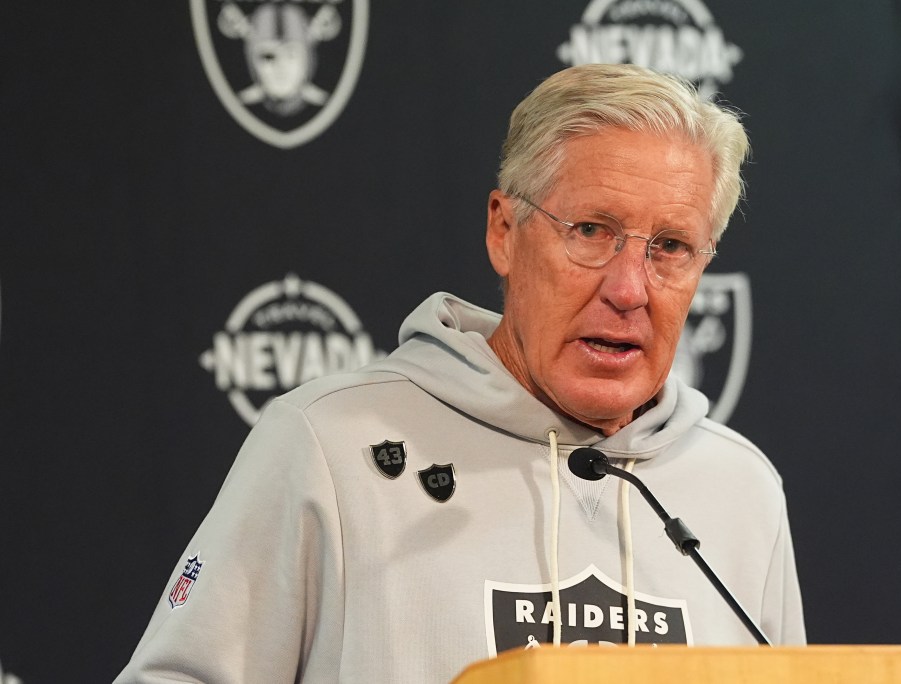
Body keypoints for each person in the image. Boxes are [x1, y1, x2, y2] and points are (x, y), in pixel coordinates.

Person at [116, 63, 805, 683]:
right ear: (504, 231)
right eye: (591, 231)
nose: (629, 289)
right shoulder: (329, 445)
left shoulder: (740, 488)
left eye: (671, 246)